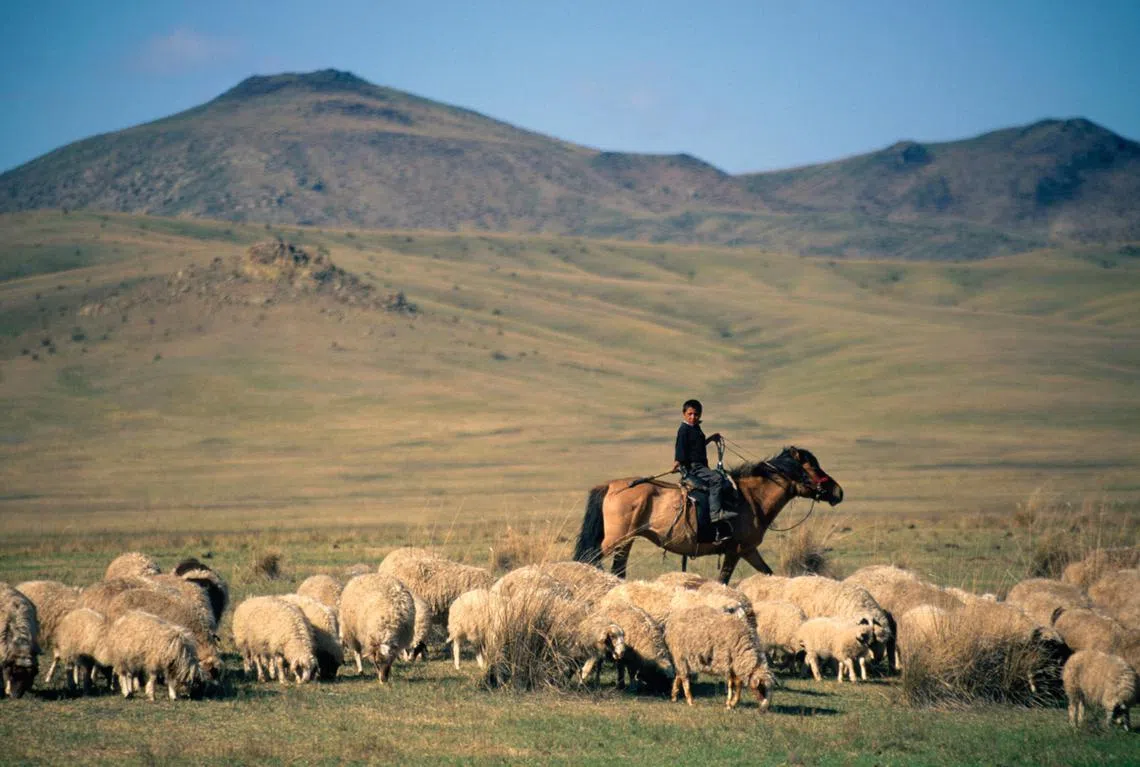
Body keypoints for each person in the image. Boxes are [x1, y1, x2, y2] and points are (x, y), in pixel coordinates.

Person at [671, 399, 737, 533]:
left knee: (722, 476)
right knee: (717, 479)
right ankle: (715, 513)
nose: (693, 417)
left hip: (701, 466)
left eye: (696, 414)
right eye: (690, 414)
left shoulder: (695, 428)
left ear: (700, 415)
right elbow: (681, 448)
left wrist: (711, 439)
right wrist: (677, 462)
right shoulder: (684, 430)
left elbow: (696, 446)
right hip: (695, 468)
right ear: (684, 414)